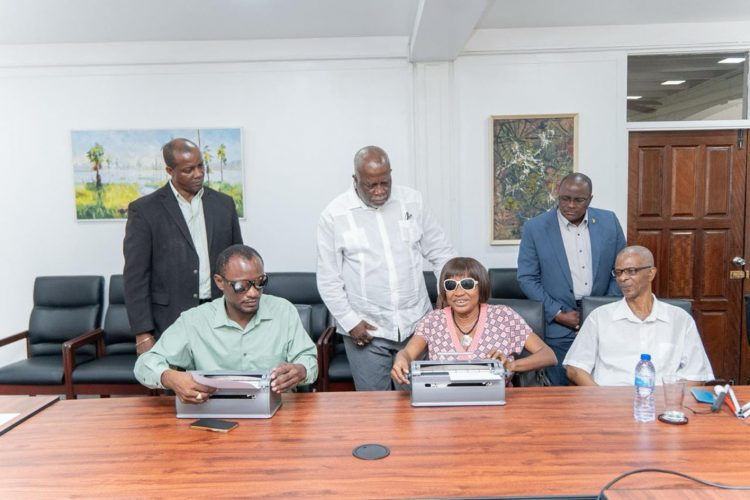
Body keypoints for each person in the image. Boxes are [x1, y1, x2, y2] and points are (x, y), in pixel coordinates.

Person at [316, 145, 456, 390]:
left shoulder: (412, 201)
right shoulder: (334, 215)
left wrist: (448, 290)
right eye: (371, 185)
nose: (380, 191)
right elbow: (329, 278)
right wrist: (350, 322)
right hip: (367, 331)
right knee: (375, 410)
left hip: (416, 325)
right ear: (355, 180)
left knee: (417, 404)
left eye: (385, 182)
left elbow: (441, 252)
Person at [134, 245, 317, 402]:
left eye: (260, 282)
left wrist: (301, 370)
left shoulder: (283, 311)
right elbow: (144, 364)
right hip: (212, 409)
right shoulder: (194, 321)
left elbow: (308, 360)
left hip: (277, 408)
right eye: (241, 286)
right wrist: (170, 378)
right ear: (220, 282)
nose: (253, 293)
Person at [123, 138, 243, 355]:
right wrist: (142, 333)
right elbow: (136, 277)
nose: (198, 174)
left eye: (200, 166)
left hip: (221, 313)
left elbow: (238, 262)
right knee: (178, 385)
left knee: (225, 384)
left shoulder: (224, 204)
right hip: (170, 319)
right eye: (189, 169)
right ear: (170, 170)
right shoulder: (145, 210)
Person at [517, 172, 625, 385]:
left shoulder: (609, 221)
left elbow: (622, 271)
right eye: (565, 198)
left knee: (601, 389)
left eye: (579, 200)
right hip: (559, 326)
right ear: (558, 195)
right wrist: (557, 313)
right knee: (561, 395)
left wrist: (601, 308)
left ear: (590, 199)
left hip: (603, 320)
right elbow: (527, 278)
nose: (571, 205)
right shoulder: (536, 228)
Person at [563, 246, 714, 386]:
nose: (622, 278)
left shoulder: (679, 319)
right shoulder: (599, 317)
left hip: (662, 406)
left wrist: (671, 401)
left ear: (651, 273)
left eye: (631, 271)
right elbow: (575, 368)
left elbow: (696, 375)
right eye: (618, 272)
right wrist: (600, 399)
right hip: (610, 404)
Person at [391, 257, 556, 385]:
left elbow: (548, 355)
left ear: (481, 286)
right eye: (450, 285)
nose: (458, 292)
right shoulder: (433, 320)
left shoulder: (504, 316)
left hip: (497, 403)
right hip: (444, 404)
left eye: (467, 284)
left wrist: (510, 366)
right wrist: (401, 358)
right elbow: (407, 353)